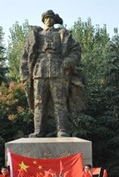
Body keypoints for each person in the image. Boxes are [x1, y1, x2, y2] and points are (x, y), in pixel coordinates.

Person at [20, 9, 83, 137]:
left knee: (60, 101)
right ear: (43, 20)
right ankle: (38, 130)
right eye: (46, 18)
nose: (49, 20)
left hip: (58, 71)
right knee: (38, 102)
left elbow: (76, 51)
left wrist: (67, 62)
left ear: (55, 20)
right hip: (39, 72)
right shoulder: (36, 35)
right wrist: (26, 74)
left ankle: (62, 130)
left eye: (51, 18)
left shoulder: (62, 34)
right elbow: (26, 56)